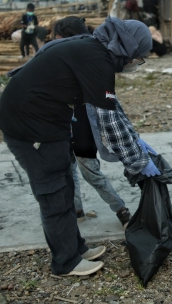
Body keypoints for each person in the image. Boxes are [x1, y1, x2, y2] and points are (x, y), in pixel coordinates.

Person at [0, 16, 160, 276]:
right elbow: (108, 125)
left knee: (66, 184)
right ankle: (65, 262)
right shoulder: (97, 60)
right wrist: (138, 162)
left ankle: (76, 248)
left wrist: (136, 139)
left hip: (50, 123)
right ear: (127, 50)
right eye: (138, 57)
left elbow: (112, 108)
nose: (136, 63)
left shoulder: (93, 48)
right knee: (53, 192)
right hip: (29, 128)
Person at [51, 16, 132, 228]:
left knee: (91, 172)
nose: (54, 44)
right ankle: (77, 210)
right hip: (62, 122)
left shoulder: (84, 57)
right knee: (67, 171)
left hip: (81, 123)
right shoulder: (64, 57)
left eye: (58, 39)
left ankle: (121, 210)